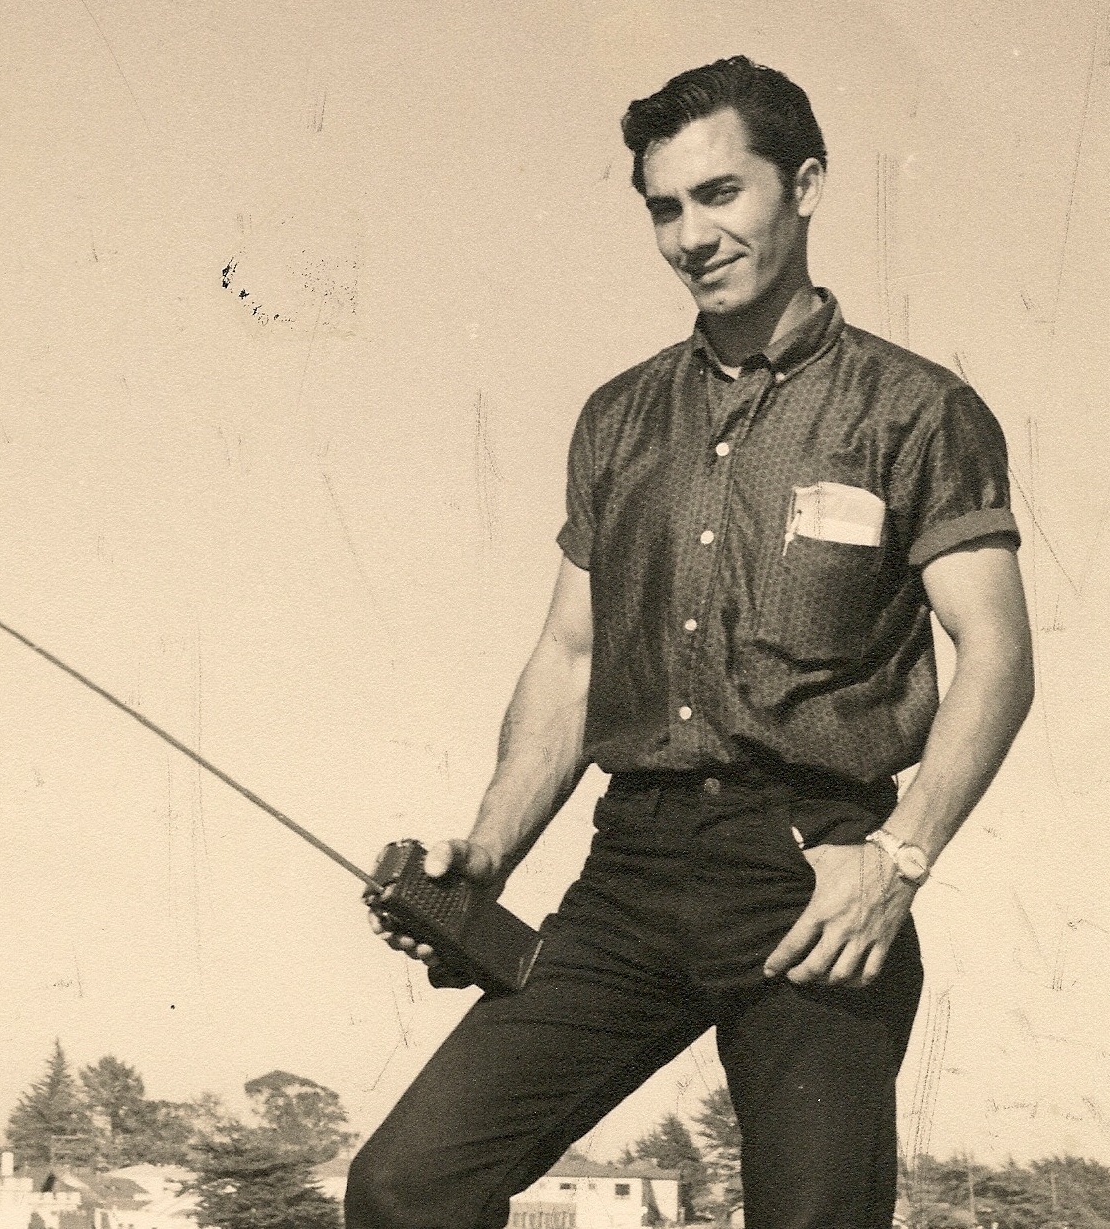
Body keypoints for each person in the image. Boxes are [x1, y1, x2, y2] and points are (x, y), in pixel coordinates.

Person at [345, 55, 1034, 1229]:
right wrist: (489, 851)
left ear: (804, 185)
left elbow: (1000, 652)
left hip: (811, 876)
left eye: (720, 194)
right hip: (630, 874)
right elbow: (570, 659)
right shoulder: (618, 417)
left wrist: (901, 859)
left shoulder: (918, 410)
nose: (691, 235)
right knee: (406, 1185)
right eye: (665, 207)